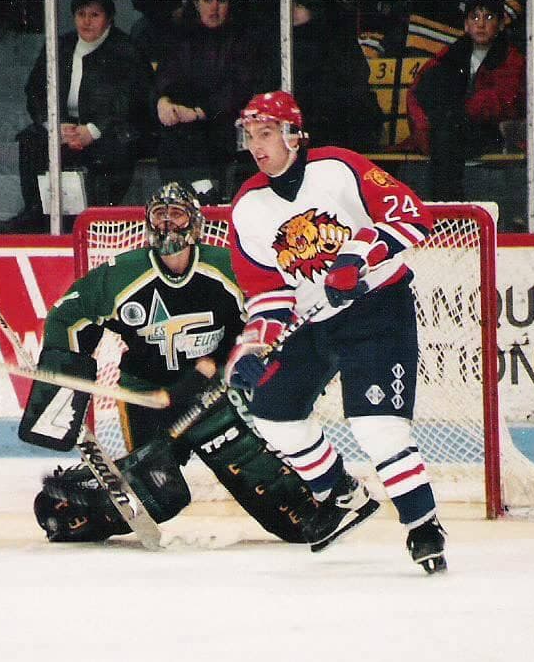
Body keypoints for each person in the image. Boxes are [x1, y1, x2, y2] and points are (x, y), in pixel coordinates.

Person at [19, 182, 317, 545]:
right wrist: (67, 379)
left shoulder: (227, 267)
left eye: (176, 215)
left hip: (207, 394)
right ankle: (80, 509)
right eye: (159, 216)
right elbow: (68, 317)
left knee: (256, 474)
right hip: (146, 393)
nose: (167, 225)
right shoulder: (122, 275)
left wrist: (238, 358)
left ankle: (310, 504)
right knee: (159, 490)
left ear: (195, 223)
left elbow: (268, 311)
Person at [225, 90, 448, 574]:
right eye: (250, 136)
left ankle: (423, 524)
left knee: (376, 426)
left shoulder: (338, 167)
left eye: (266, 133)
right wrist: (254, 346)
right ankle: (341, 494)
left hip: (376, 309)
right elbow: (267, 293)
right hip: (313, 322)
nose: (257, 146)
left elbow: (412, 215)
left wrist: (356, 257)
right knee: (273, 411)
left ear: (292, 134)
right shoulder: (248, 206)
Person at [0, 0, 151, 234]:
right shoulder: (61, 45)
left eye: (95, 15)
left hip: (109, 129)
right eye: (81, 15)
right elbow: (35, 89)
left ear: (109, 19)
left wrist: (93, 130)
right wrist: (53, 123)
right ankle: (36, 211)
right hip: (65, 125)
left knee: (114, 148)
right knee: (31, 139)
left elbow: (132, 99)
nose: (87, 22)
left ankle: (98, 218)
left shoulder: (126, 49)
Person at [152, 0, 273, 204]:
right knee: (174, 134)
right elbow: (165, 76)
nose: (214, 8)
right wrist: (163, 101)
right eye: (207, 0)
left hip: (224, 119)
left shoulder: (244, 39)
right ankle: (198, 194)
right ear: (196, 4)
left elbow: (239, 89)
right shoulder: (180, 36)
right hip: (183, 121)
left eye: (222, 0)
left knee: (188, 136)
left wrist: (199, 112)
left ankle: (204, 194)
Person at [405, 0, 524, 200]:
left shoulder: (511, 56)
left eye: (488, 17)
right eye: (474, 18)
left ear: (501, 24)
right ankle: (446, 207)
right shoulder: (449, 54)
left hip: (491, 130)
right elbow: (418, 92)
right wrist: (425, 127)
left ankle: (447, 207)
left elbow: (504, 99)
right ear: (466, 25)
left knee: (447, 135)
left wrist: (463, 111)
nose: (481, 24)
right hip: (448, 127)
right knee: (445, 132)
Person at [290, 0, 384, 153]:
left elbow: (354, 84)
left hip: (340, 131)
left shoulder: (335, 40)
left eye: (299, 5)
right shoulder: (284, 42)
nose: (292, 11)